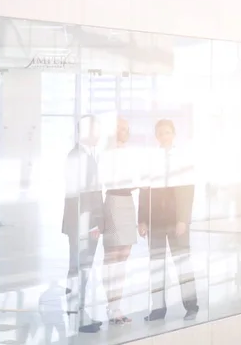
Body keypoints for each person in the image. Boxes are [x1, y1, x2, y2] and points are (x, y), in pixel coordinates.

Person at [138, 119, 199, 322]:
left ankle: (191, 306)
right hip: (155, 220)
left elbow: (188, 191)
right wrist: (142, 219)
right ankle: (158, 309)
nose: (164, 136)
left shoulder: (183, 158)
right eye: (160, 133)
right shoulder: (151, 159)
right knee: (156, 265)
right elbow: (144, 190)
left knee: (182, 263)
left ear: (173, 134)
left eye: (167, 132)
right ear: (157, 137)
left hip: (176, 221)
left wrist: (183, 219)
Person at [62, 115, 103, 333]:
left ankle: (78, 311)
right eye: (96, 131)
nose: (99, 135)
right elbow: (82, 195)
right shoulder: (78, 156)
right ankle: (76, 313)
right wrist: (93, 224)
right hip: (83, 224)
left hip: (83, 223)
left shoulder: (84, 155)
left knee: (80, 269)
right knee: (80, 268)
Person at [99, 117, 139, 325]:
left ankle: (117, 305)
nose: (124, 131)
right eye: (120, 128)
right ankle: (111, 306)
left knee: (123, 256)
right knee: (112, 258)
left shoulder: (129, 153)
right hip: (114, 201)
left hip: (128, 203)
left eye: (126, 128)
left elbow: (135, 177)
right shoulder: (107, 153)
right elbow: (109, 179)